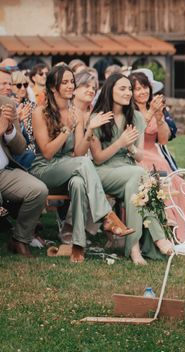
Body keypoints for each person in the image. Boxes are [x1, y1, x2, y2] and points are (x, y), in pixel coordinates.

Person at [30, 65, 132, 263]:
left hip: (70, 166)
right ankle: (106, 217)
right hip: (43, 170)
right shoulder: (39, 112)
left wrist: (90, 130)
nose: (70, 86)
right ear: (52, 87)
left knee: (78, 183)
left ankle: (77, 246)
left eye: (71, 82)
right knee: (83, 164)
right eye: (65, 82)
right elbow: (48, 152)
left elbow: (78, 152)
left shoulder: (75, 111)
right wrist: (67, 129)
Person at [90, 73, 173, 265]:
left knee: (135, 182)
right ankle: (158, 239)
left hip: (129, 170)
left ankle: (135, 249)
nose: (128, 93)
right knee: (139, 176)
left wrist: (131, 147)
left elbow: (140, 156)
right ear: (110, 90)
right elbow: (98, 158)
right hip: (104, 171)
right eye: (123, 88)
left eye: (129, 89)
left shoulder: (135, 117)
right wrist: (120, 142)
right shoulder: (98, 118)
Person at [130, 70, 185, 242]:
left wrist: (159, 117)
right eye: (137, 89)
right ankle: (166, 223)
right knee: (158, 175)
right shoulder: (130, 110)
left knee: (180, 183)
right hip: (138, 154)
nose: (142, 92)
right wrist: (151, 111)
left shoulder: (156, 107)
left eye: (144, 87)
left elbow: (164, 140)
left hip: (155, 153)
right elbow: (135, 136)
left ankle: (183, 231)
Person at [0, 93, 48, 258]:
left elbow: (20, 148)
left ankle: (20, 239)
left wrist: (10, 130)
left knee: (38, 190)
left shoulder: (6, 104)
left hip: (3, 172)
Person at [10, 70, 36, 169]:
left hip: (31, 146)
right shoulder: (6, 105)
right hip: (15, 149)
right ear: (11, 86)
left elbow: (33, 136)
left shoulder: (32, 106)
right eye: (18, 85)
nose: (23, 88)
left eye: (25, 85)